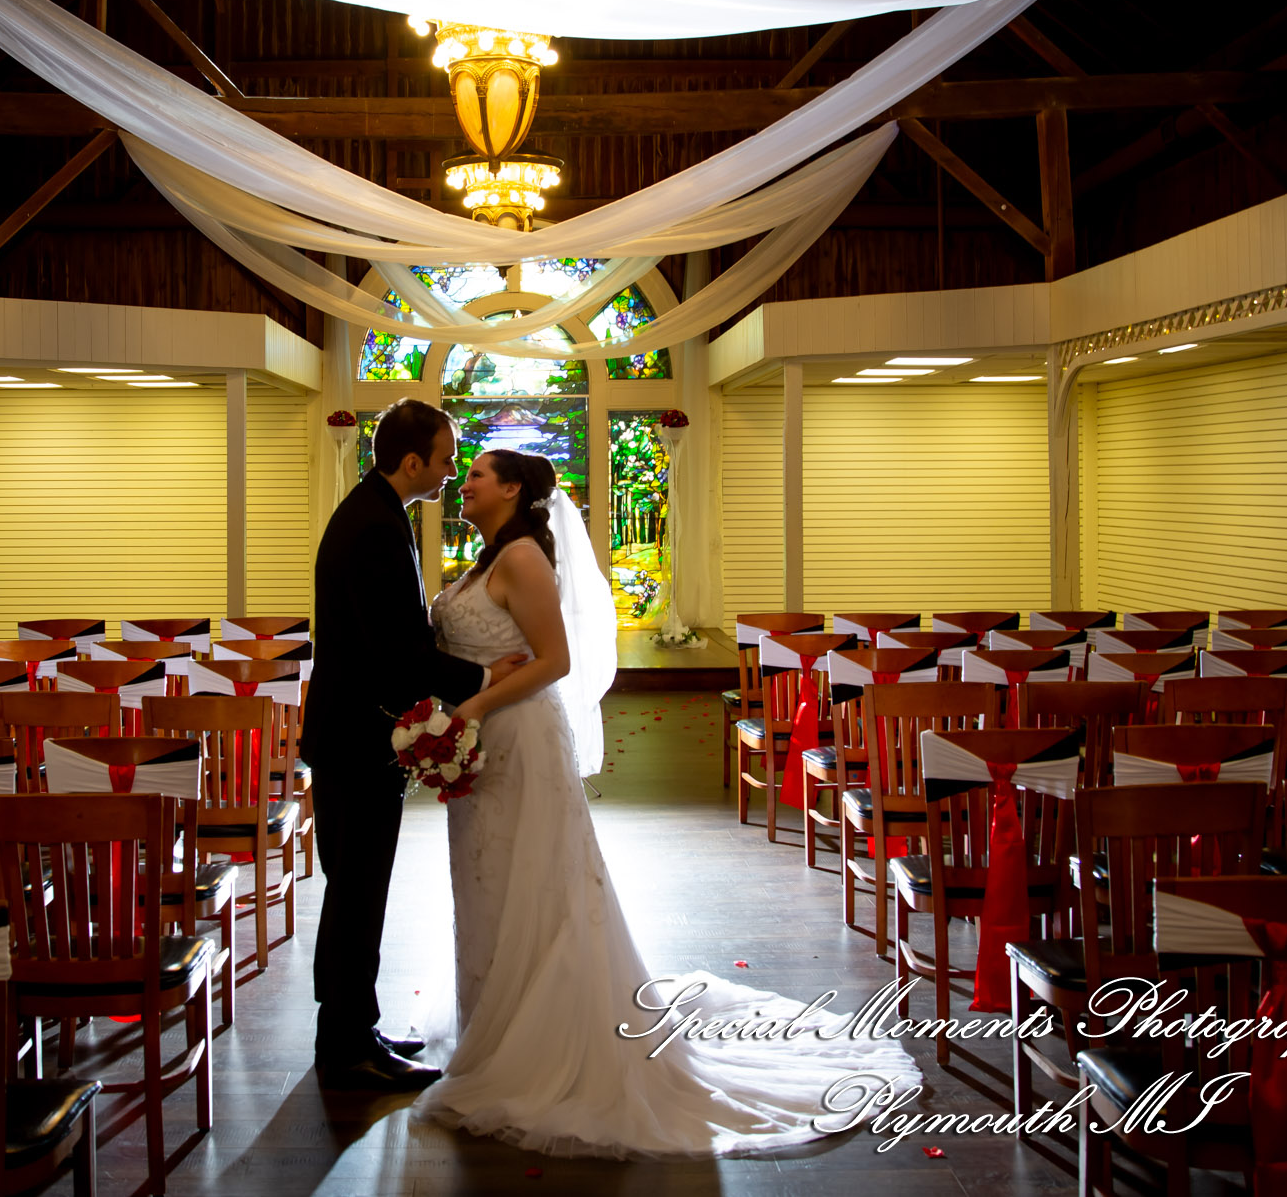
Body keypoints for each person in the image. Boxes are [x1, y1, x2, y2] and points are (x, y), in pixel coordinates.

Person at [415, 448, 922, 1157]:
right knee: (485, 879)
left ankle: (540, 1040)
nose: (461, 483)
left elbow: (553, 663)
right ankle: (489, 1026)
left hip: (518, 738)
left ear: (511, 488)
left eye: (474, 475)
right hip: (485, 739)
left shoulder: (524, 558)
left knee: (530, 878)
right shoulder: (485, 560)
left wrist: (467, 710)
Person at [303, 397, 526, 1092]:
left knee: (356, 891)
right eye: (446, 458)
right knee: (357, 893)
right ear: (411, 462)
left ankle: (351, 1025)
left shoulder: (374, 512)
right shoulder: (372, 526)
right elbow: (395, 653)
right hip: (356, 739)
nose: (452, 470)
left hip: (351, 734)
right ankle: (345, 1050)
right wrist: (486, 675)